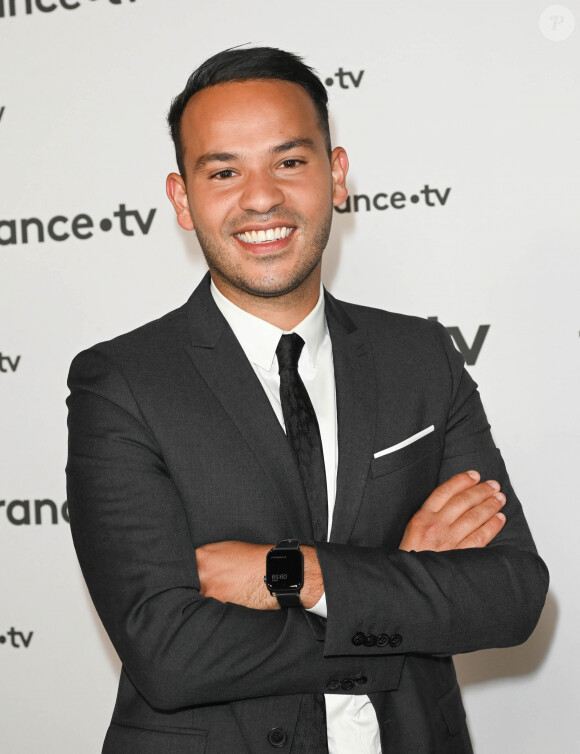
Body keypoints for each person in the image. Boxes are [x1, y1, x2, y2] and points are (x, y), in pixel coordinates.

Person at [66, 46, 548, 754]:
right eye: (224, 171)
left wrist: (292, 573)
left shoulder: (419, 357)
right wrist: (402, 585)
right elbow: (169, 654)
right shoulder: (123, 383)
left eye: (289, 162)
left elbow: (510, 594)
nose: (260, 198)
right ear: (181, 199)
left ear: (337, 175)